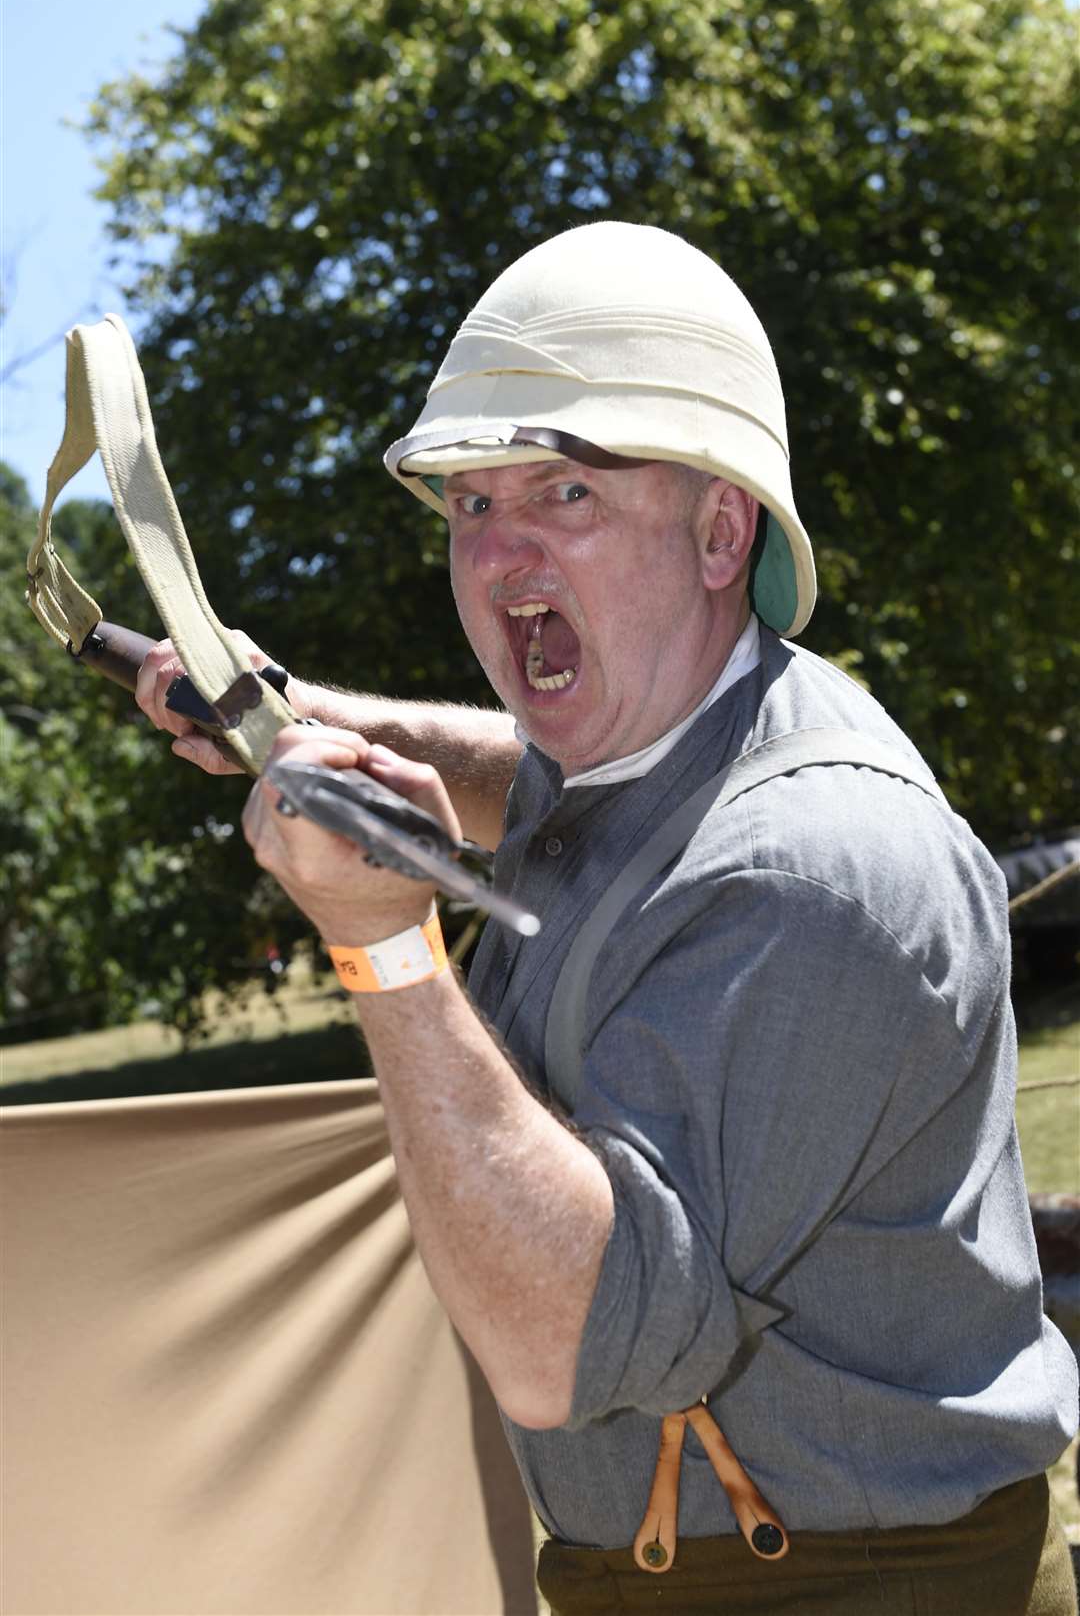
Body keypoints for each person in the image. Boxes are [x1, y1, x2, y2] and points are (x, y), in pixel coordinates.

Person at [137, 222, 1078, 1613]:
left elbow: (568, 1343)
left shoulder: (807, 865)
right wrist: (310, 719)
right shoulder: (691, 738)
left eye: (564, 492)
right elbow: (563, 795)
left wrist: (386, 946)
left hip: (846, 1585)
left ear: (719, 530)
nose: (500, 554)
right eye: (469, 506)